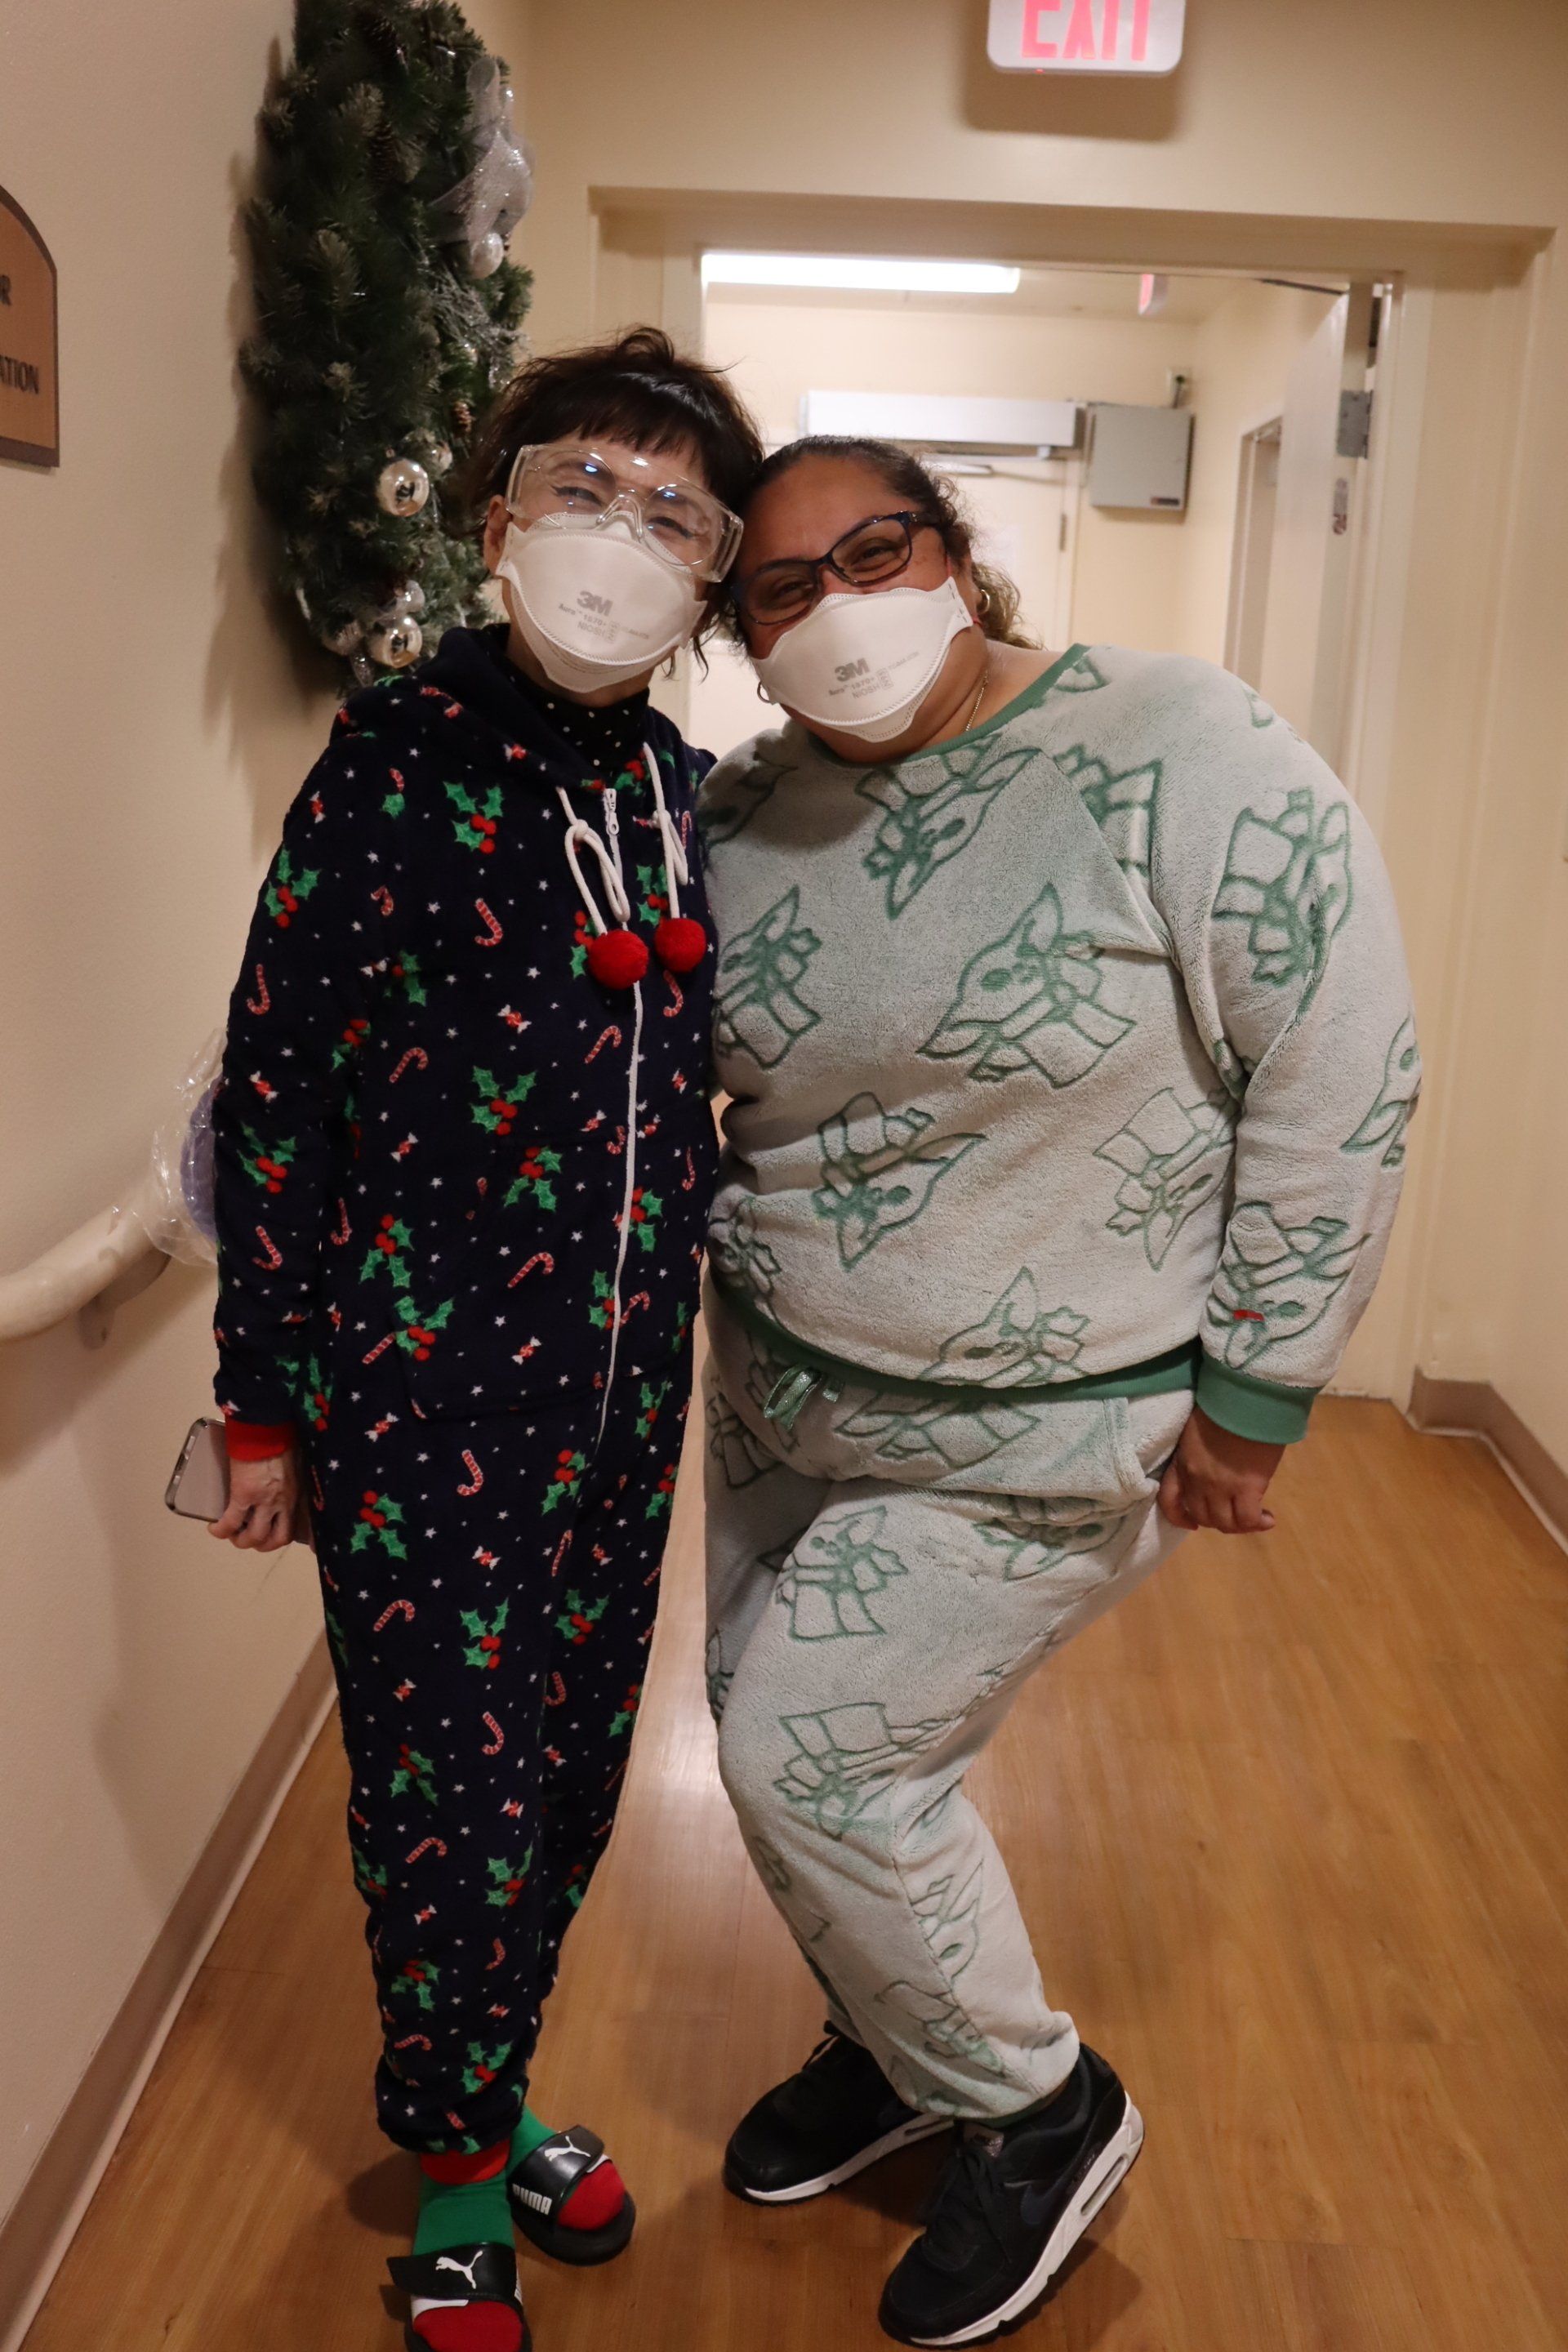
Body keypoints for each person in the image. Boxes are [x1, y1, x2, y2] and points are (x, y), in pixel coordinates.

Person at [698, 436, 1418, 2346]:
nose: (839, 605)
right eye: (782, 587)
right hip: (778, 1390)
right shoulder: (746, 807)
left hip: (1037, 1423)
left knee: (819, 1760)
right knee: (771, 1750)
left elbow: (1341, 1061)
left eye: (878, 549)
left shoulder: (1180, 746)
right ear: (741, 631)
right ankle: (894, 2041)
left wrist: (1265, 1386)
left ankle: (1034, 2103)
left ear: (957, 554)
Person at [209, 328, 763, 2352]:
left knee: (567, 1770)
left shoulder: (684, 795)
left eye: (673, 509)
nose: (622, 536)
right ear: (496, 513)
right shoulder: (390, 765)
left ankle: (494, 2081)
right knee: (446, 1790)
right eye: (581, 488)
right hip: (423, 1394)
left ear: (713, 575)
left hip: (627, 1397)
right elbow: (272, 1101)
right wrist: (260, 1402)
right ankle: (454, 2175)